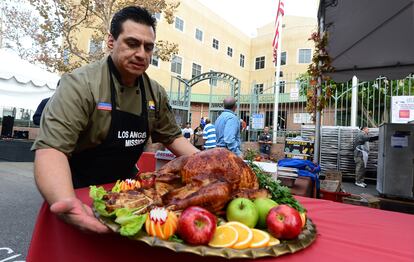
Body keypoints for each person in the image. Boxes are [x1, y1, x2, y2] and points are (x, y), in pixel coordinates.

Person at [31, 6, 199, 234]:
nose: (142, 54)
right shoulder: (80, 84)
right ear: (111, 41)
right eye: (132, 43)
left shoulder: (155, 92)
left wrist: (209, 162)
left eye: (148, 47)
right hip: (76, 191)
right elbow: (51, 150)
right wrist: (66, 201)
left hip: (128, 193)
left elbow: (173, 137)